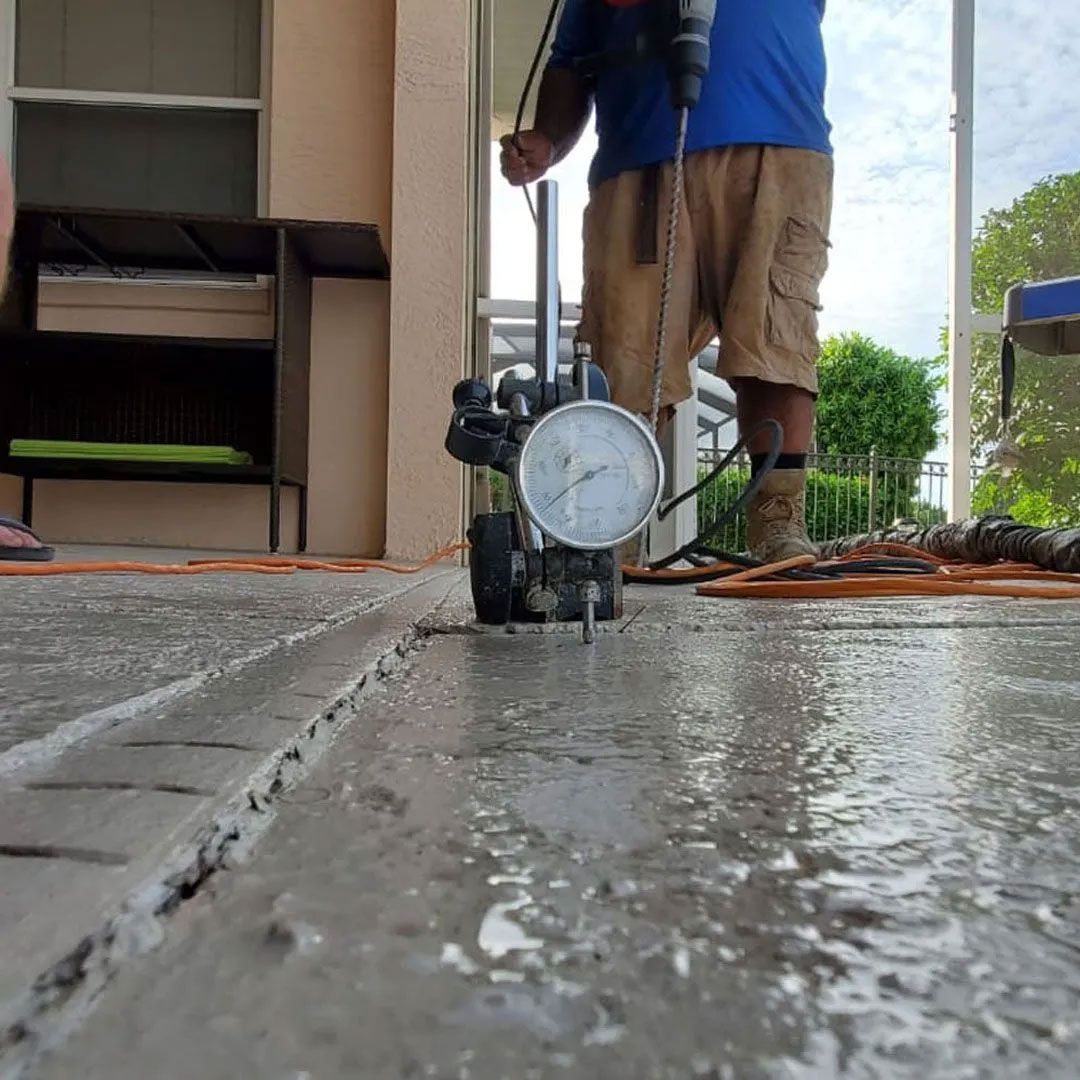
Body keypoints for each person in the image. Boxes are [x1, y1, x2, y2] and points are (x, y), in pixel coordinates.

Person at [501, 0, 833, 562]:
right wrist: (549, 140)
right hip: (638, 158)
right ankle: (605, 541)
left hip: (777, 143)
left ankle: (778, 523)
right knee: (624, 360)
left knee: (773, 335)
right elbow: (571, 58)